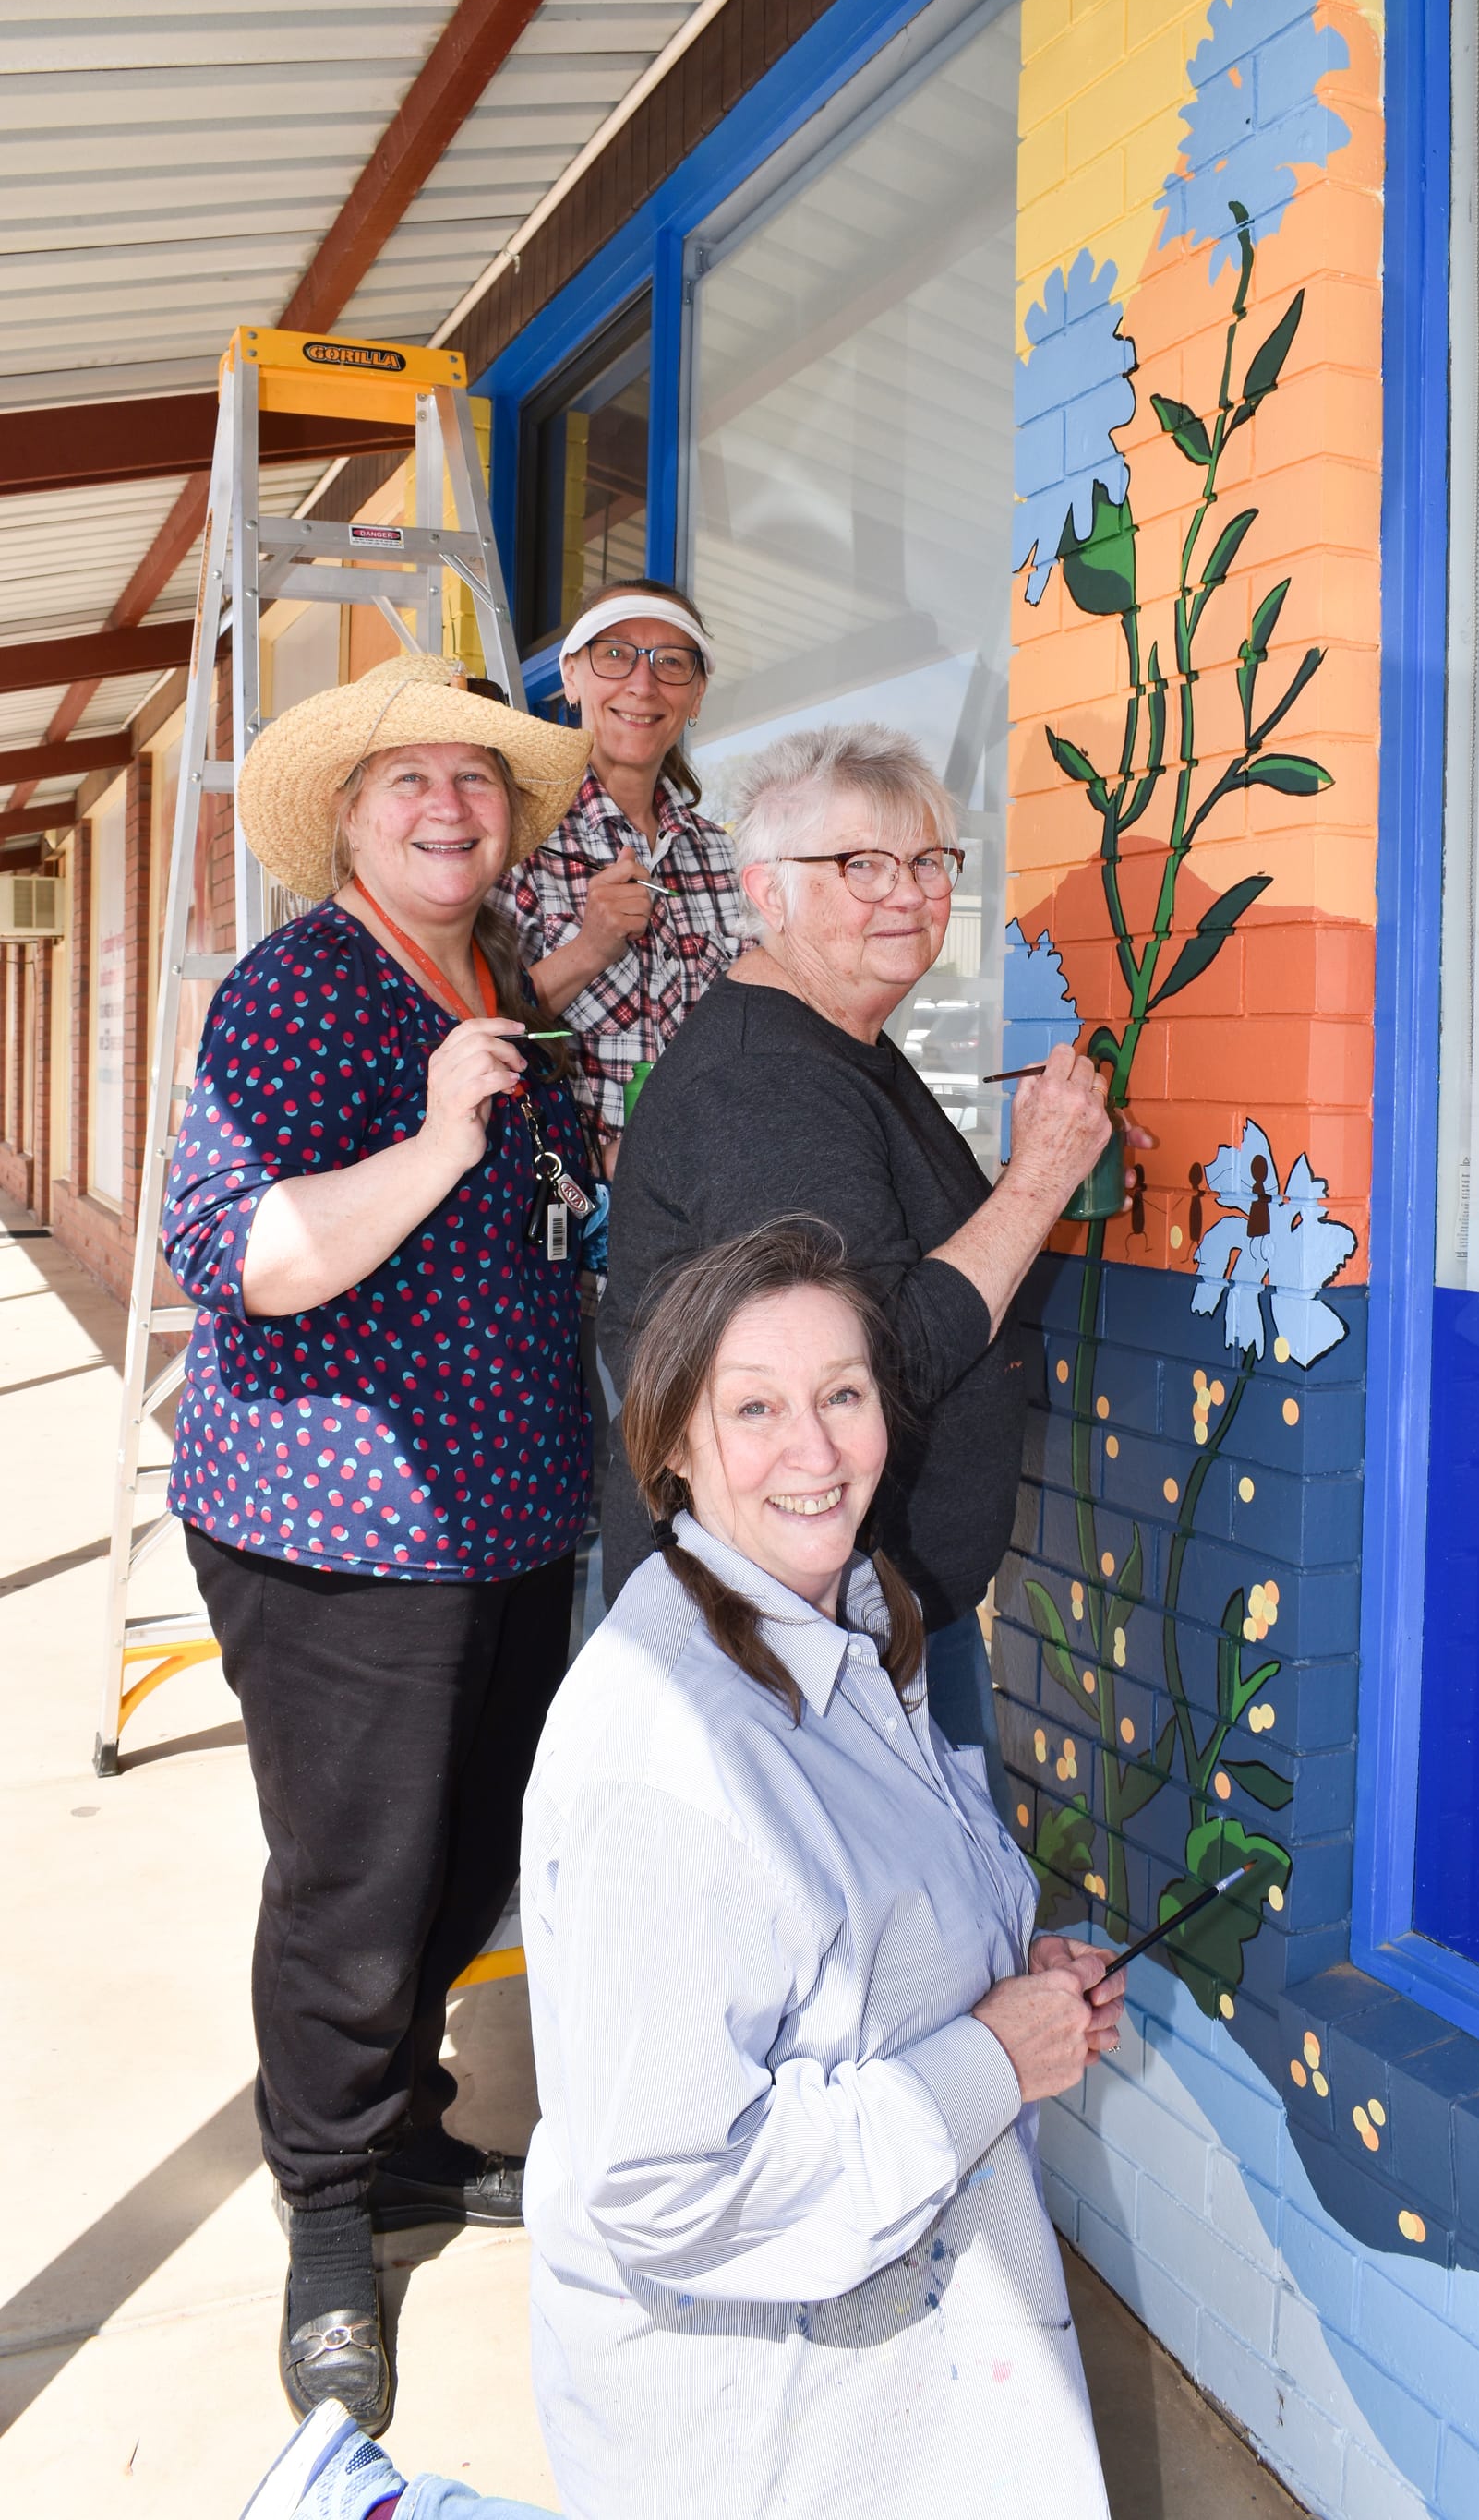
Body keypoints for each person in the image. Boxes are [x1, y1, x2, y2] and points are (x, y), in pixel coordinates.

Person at [235, 1221, 1124, 2520]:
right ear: (671, 1451)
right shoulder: (664, 1764)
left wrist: (1014, 1987)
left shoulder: (861, 1617)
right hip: (763, 2417)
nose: (813, 1451)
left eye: (842, 1394)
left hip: (911, 2333)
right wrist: (993, 2059)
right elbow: (676, 2187)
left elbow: (864, 1941)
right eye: (754, 1408)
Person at [164, 654, 595, 2435]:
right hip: (337, 1526)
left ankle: (405, 2133)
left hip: (502, 1512)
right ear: (346, 818)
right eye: (409, 781)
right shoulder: (301, 992)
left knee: (457, 1860)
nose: (449, 805)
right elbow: (236, 1253)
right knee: (353, 1891)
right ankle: (330, 2215)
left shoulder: (488, 972)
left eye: (479, 783)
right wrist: (436, 1133)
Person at [598, 721, 1143, 1759]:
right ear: (767, 894)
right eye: (858, 864)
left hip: (862, 1611)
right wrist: (1040, 1177)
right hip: (802, 1637)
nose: (906, 893)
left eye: (927, 862)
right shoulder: (768, 1082)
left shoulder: (833, 1039)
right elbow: (879, 1355)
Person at [497, 579, 745, 1176]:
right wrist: (589, 949)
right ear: (571, 677)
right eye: (614, 654)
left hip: (710, 1201)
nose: (643, 683)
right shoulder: (513, 841)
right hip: (565, 1219)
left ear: (698, 694)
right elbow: (468, 1029)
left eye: (672, 663)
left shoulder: (725, 858)